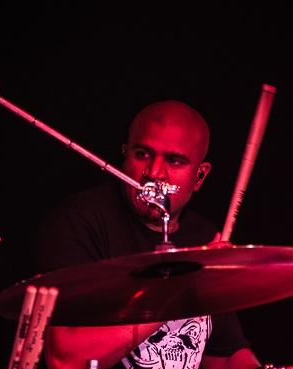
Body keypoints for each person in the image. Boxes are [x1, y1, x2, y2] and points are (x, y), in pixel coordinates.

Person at [35, 100, 263, 369]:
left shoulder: (202, 237)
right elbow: (65, 360)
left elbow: (224, 357)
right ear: (125, 155)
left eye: (174, 161)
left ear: (199, 176)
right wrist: (180, 288)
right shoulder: (80, 221)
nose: (154, 173)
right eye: (142, 154)